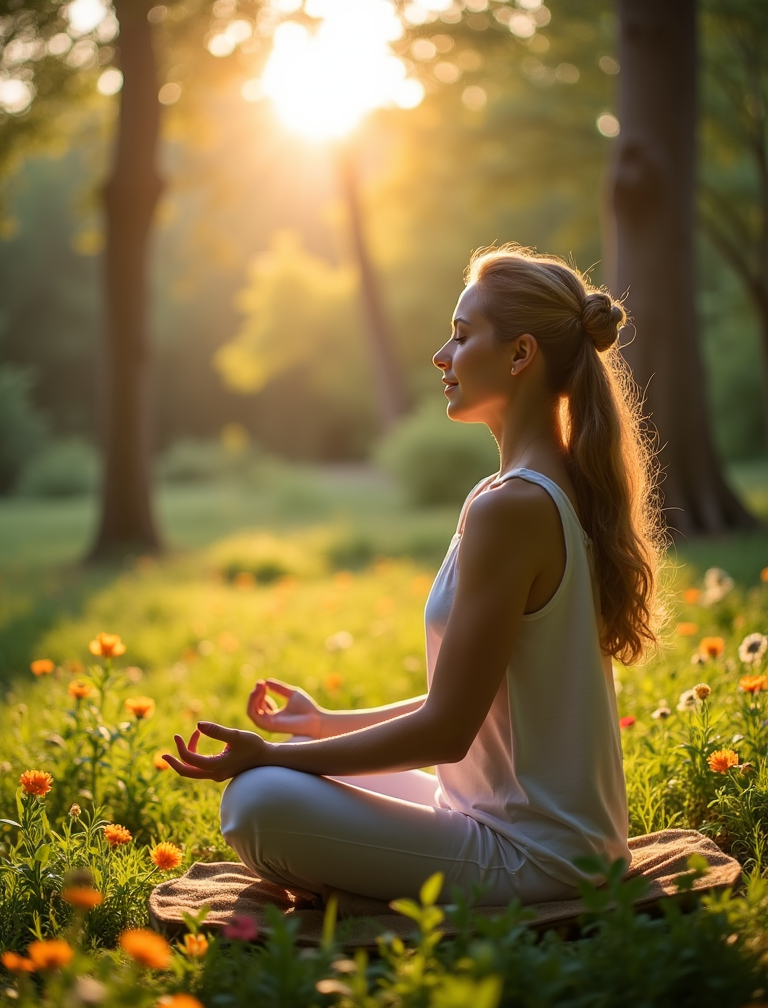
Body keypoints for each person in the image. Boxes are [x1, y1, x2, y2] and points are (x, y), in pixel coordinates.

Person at [164, 244, 664, 912]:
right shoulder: (529, 491)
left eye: (460, 336)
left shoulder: (513, 506)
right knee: (281, 782)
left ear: (519, 355)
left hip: (537, 856)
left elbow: (445, 732)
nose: (441, 356)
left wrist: (270, 759)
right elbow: (468, 706)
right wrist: (321, 725)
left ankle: (353, 879)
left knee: (258, 799)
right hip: (502, 816)